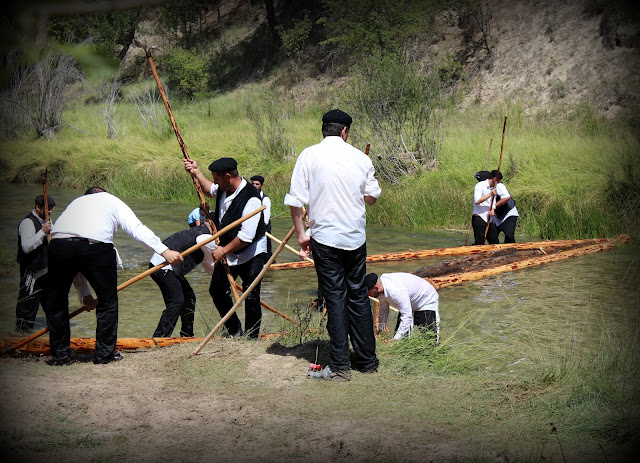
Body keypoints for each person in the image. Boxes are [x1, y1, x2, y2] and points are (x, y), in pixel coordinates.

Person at [285, 108, 381, 381]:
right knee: (358, 296)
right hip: (354, 238)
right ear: (345, 132)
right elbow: (372, 198)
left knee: (335, 298)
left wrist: (302, 235)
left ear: (323, 130)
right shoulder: (360, 158)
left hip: (326, 239)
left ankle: (339, 366)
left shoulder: (309, 155)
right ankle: (367, 361)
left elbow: (295, 201)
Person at [45, 187, 183, 365]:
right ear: (104, 193)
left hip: (58, 246)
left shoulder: (76, 203)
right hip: (95, 248)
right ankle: (103, 355)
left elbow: (74, 246)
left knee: (56, 303)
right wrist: (164, 251)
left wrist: (85, 294)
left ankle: (60, 356)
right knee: (108, 302)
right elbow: (136, 229)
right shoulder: (112, 200)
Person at [183, 157, 267, 339]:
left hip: (251, 252)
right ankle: (235, 331)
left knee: (250, 295)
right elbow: (208, 189)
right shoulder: (224, 188)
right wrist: (196, 172)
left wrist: (223, 251)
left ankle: (251, 339)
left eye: (217, 178)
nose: (215, 182)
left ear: (228, 176)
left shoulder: (251, 198)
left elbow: (246, 237)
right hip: (228, 249)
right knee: (217, 290)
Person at [149, 222, 215, 338]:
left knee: (189, 298)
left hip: (170, 268)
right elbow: (209, 259)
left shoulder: (200, 234)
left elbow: (208, 266)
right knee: (176, 301)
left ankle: (187, 335)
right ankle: (159, 337)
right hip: (162, 266)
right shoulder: (205, 236)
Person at [15, 194, 55, 332]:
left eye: (51, 209)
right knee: (26, 310)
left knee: (52, 306)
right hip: (31, 273)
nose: (50, 212)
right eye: (47, 209)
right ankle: (20, 338)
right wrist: (43, 232)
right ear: (38, 207)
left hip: (46, 271)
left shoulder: (48, 222)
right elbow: (26, 247)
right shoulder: (27, 222)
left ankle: (54, 338)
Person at [365, 272, 440, 342]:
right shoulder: (381, 288)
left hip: (425, 300)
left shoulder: (396, 291)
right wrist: (380, 331)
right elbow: (384, 309)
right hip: (408, 302)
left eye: (368, 292)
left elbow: (407, 316)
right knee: (402, 340)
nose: (368, 295)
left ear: (376, 288)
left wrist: (395, 340)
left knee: (430, 339)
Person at [491, 170, 519, 243]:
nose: (498, 181)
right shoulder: (486, 187)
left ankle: (511, 250)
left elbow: (506, 197)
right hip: (496, 216)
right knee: (491, 237)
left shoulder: (500, 186)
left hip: (508, 214)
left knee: (509, 235)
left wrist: (494, 206)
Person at [472, 169, 499, 245]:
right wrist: (490, 194)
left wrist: (493, 210)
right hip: (479, 217)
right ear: (494, 179)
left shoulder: (493, 188)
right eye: (498, 181)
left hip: (489, 218)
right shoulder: (480, 185)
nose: (498, 183)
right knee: (480, 242)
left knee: (494, 242)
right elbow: (477, 201)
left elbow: (493, 202)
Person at [250, 175, 272, 258]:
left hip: (264, 231)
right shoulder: (251, 198)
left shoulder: (265, 200)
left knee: (266, 253)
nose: (254, 186)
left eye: (257, 184)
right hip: (253, 231)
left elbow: (265, 220)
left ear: (261, 185)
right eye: (253, 184)